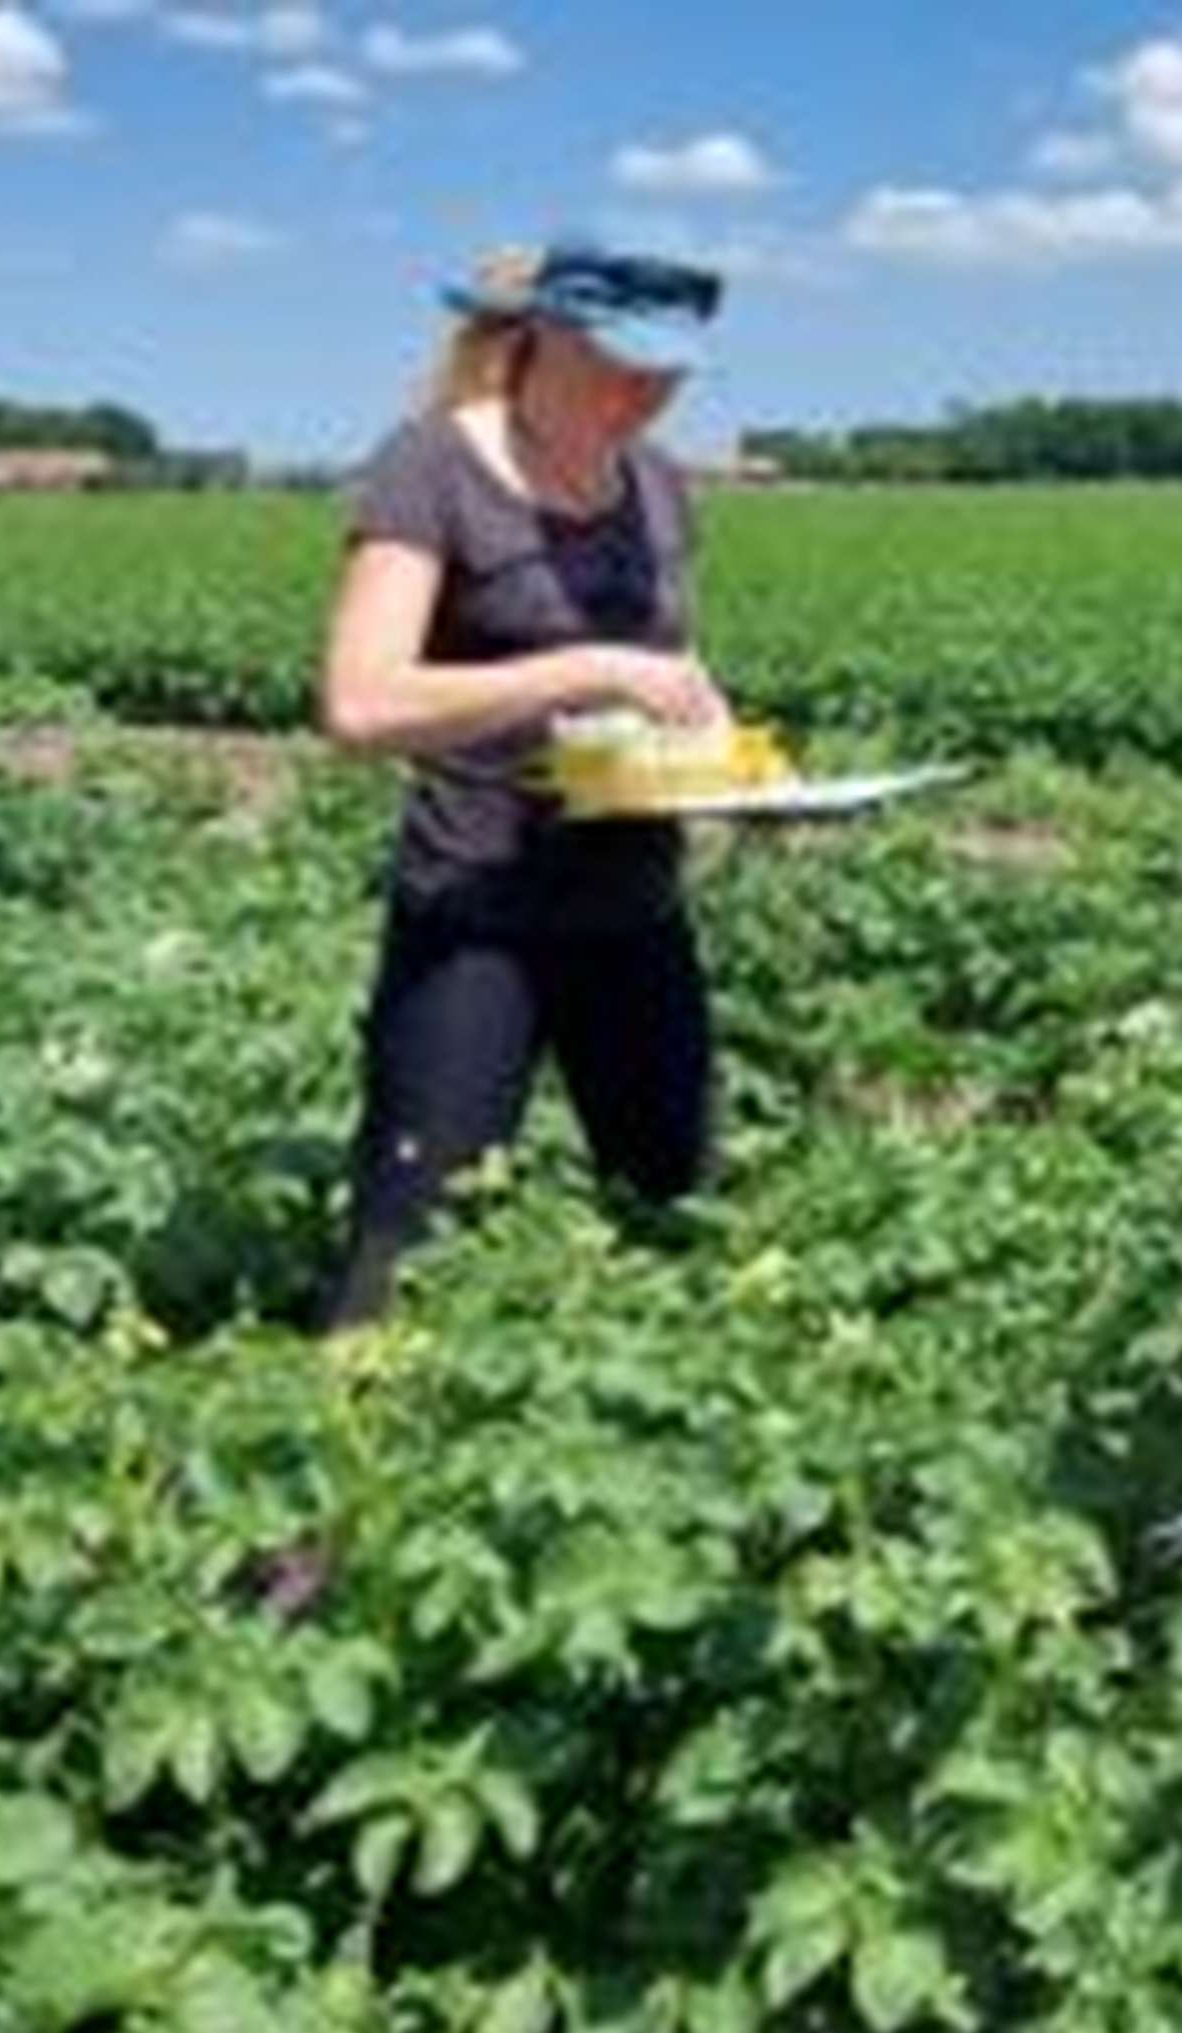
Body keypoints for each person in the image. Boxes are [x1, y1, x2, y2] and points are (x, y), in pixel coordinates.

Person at [315, 242, 734, 1330]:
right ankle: (344, 1456)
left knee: (678, 1211)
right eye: (622, 367)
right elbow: (359, 704)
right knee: (412, 1247)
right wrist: (585, 668)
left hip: (636, 909)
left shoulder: (657, 485)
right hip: (479, 914)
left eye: (670, 373)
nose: (646, 395)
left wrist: (719, 753)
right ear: (541, 336)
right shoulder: (431, 468)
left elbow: (667, 667)